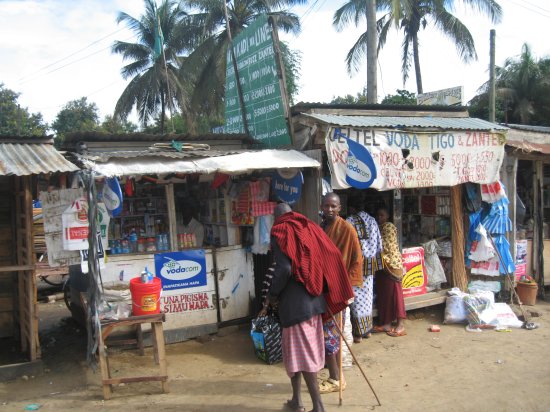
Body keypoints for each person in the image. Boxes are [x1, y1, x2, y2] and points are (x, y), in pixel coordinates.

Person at [269, 203, 354, 412]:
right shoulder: (308, 226)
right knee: (294, 354)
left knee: (303, 356)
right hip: (314, 299)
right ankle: (296, 400)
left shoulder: (280, 230)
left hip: (296, 305)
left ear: (277, 217)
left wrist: (271, 294)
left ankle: (318, 406)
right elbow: (330, 254)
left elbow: (285, 268)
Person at [320, 192, 363, 393]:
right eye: (326, 205)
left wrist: (346, 287)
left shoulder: (347, 229)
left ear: (339, 208)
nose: (329, 209)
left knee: (332, 335)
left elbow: (356, 261)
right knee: (326, 333)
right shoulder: (320, 227)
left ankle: (336, 379)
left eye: (333, 206)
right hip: (323, 289)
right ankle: (333, 375)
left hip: (339, 290)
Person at [346, 195, 383, 343]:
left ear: (351, 207)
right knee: (367, 299)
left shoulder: (349, 221)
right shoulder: (372, 220)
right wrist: (377, 262)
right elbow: (380, 244)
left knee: (355, 299)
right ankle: (367, 330)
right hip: (369, 265)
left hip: (356, 266)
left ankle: (358, 334)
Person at [375, 205, 407, 337]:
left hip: (392, 265)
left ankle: (401, 325)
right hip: (383, 266)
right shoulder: (379, 228)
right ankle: (387, 323)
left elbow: (386, 246)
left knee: (396, 295)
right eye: (378, 215)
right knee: (385, 296)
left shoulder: (388, 227)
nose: (379, 217)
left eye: (382, 215)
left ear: (388, 216)